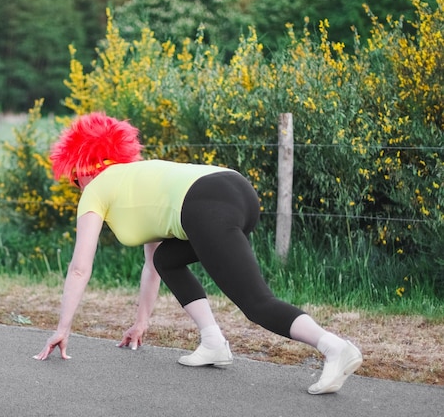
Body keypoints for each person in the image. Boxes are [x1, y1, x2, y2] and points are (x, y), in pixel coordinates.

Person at [33, 112, 362, 395]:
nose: (77, 186)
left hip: (206, 205)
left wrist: (63, 328)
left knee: (256, 304)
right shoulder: (137, 178)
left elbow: (79, 268)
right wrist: (141, 322)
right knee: (167, 259)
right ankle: (213, 342)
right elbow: (153, 265)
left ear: (85, 168)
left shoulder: (96, 190)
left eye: (74, 179)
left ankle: (334, 348)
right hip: (235, 189)